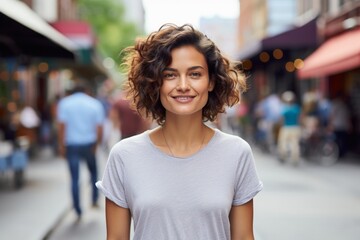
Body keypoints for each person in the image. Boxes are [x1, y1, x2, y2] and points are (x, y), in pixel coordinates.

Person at [96, 24, 263, 240]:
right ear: (156, 83)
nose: (183, 85)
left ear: (211, 82)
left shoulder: (237, 153)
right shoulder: (124, 156)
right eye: (170, 75)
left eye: (195, 74)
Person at [57, 84, 105, 220]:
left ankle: (77, 208)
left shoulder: (65, 104)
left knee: (74, 178)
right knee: (94, 172)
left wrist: (61, 145)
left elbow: (61, 126)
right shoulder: (94, 103)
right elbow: (99, 127)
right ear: (86, 90)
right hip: (89, 144)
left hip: (71, 145)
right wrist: (98, 144)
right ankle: (94, 198)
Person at [277, 91, 302, 165]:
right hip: (295, 127)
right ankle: (295, 159)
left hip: (286, 127)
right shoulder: (296, 108)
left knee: (283, 143)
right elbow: (300, 118)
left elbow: (281, 119)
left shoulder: (285, 109)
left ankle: (283, 156)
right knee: (295, 144)